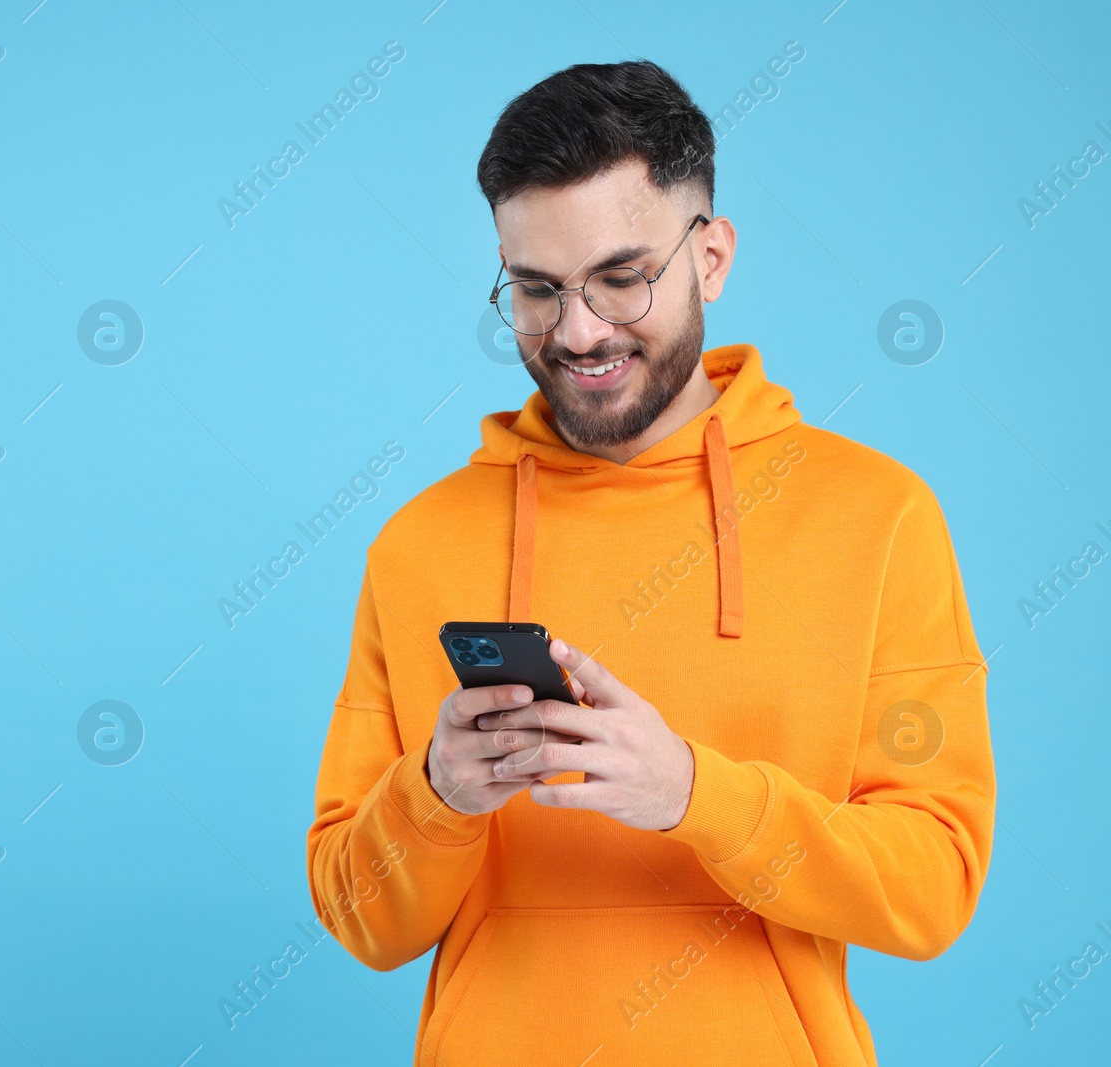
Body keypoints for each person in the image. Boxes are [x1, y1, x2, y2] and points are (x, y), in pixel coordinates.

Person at [305, 59, 996, 1066]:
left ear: (710, 257)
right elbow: (360, 919)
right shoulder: (419, 544)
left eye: (621, 278)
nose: (577, 330)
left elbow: (933, 885)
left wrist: (692, 796)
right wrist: (440, 793)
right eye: (537, 289)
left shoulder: (878, 515)